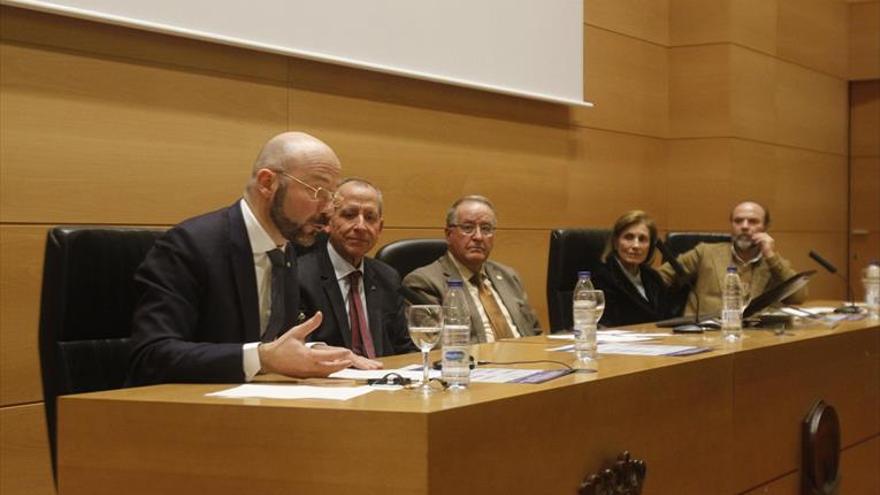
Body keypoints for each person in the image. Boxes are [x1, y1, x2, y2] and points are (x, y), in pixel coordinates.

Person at [128, 132, 382, 386]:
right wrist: (262, 357)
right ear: (267, 183)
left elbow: (272, 343)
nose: (328, 211)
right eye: (318, 192)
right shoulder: (190, 246)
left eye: (332, 198)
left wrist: (313, 352)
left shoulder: (287, 248)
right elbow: (151, 356)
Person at [298, 178, 416, 357]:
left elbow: (404, 347)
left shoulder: (387, 277)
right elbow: (295, 345)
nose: (361, 226)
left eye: (370, 218)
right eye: (349, 214)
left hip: (384, 379)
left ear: (380, 227)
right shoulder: (299, 276)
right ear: (328, 223)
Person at [403, 195, 541, 342]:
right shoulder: (424, 282)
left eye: (486, 229)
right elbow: (435, 344)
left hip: (527, 359)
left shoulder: (508, 276)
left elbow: (535, 332)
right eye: (468, 228)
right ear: (449, 235)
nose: (479, 237)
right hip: (475, 363)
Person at [657, 201, 807, 315]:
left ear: (766, 227)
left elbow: (798, 297)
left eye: (753, 221)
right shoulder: (705, 253)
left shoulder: (773, 263)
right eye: (738, 221)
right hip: (704, 335)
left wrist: (770, 256)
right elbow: (657, 279)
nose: (744, 226)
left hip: (754, 339)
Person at [592, 210, 675, 327]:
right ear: (616, 242)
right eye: (629, 237)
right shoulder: (602, 278)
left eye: (642, 239)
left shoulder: (653, 277)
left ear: (650, 246)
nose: (636, 245)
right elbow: (605, 326)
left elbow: (669, 319)